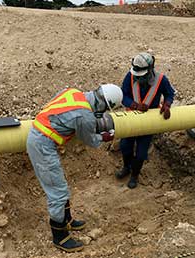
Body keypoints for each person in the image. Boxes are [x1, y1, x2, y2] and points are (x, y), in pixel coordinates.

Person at [26, 84, 123, 252]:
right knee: (58, 192)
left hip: (41, 135)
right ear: (105, 105)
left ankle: (67, 220)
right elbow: (91, 141)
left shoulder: (74, 93)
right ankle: (60, 237)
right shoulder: (85, 116)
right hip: (42, 145)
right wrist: (105, 136)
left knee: (61, 186)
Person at [115, 52, 176, 189]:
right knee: (125, 145)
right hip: (131, 119)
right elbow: (123, 94)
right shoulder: (130, 76)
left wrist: (167, 105)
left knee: (141, 152)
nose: (138, 78)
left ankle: (135, 175)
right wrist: (133, 104)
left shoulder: (161, 80)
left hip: (149, 122)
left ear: (150, 70)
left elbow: (169, 93)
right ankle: (127, 167)